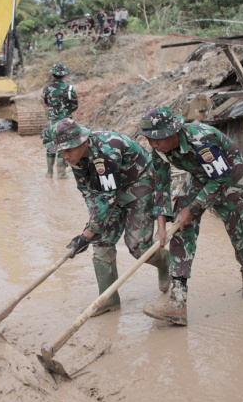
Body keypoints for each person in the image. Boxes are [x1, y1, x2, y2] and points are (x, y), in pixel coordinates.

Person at [138, 107, 243, 326]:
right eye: (149, 139)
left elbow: (220, 178)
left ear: (173, 132)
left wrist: (192, 208)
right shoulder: (159, 149)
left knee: (237, 231)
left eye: (158, 138)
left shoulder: (202, 139)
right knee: (180, 227)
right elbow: (161, 185)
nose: (153, 144)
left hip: (231, 177)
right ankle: (177, 303)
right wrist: (161, 226)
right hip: (200, 176)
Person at [53, 118, 170, 316]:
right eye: (61, 151)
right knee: (101, 241)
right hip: (109, 189)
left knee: (138, 246)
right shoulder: (75, 157)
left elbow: (109, 196)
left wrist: (87, 233)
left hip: (139, 182)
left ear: (83, 142)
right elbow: (88, 193)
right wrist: (92, 229)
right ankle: (108, 299)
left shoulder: (106, 151)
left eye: (69, 150)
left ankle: (165, 261)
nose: (65, 156)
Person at [42, 63, 78, 178]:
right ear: (64, 75)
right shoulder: (70, 88)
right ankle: (61, 174)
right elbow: (75, 105)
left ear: (53, 75)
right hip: (65, 123)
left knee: (51, 146)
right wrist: (66, 111)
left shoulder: (47, 88)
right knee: (63, 147)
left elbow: (46, 103)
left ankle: (49, 173)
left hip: (51, 122)